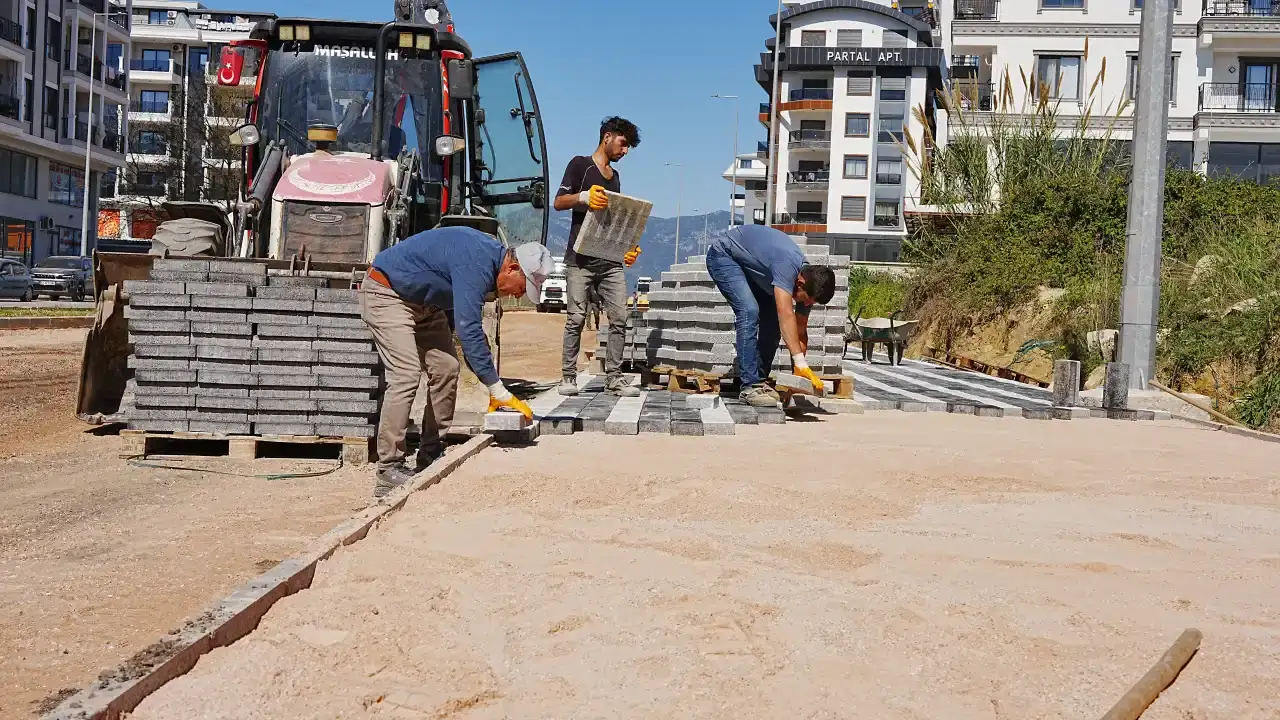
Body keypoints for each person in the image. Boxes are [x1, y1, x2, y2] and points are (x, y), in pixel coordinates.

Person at [361, 227, 555, 497]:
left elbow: (466, 321)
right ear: (512, 268)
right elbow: (469, 330)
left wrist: (487, 374)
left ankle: (430, 452)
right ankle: (388, 468)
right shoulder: (477, 262)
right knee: (405, 375)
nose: (518, 296)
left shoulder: (486, 263)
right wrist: (497, 389)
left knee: (447, 368)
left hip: (425, 305)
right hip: (387, 293)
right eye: (522, 288)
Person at [554, 116, 644, 397]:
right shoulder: (579, 165)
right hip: (579, 260)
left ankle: (614, 378)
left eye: (628, 147)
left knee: (619, 317)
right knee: (576, 318)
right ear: (607, 137)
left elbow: (613, 219)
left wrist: (628, 248)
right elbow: (558, 202)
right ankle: (568, 377)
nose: (625, 151)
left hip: (609, 261)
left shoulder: (615, 178)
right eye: (623, 144)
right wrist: (583, 197)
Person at [705, 225, 837, 407]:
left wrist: (797, 378)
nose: (807, 305)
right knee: (749, 311)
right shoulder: (786, 267)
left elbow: (800, 332)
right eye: (807, 300)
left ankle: (758, 381)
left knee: (772, 322)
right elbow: (786, 315)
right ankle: (749, 387)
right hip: (725, 256)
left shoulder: (809, 284)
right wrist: (799, 361)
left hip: (752, 265)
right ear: (800, 283)